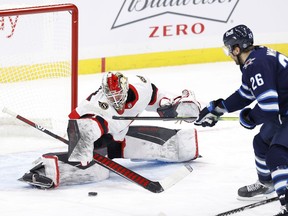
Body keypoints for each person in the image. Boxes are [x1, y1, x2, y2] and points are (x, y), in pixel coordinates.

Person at [19, 71, 201, 189]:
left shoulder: (141, 86)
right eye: (110, 96)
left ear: (125, 87)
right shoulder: (99, 105)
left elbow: (155, 96)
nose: (115, 100)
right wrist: (84, 142)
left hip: (117, 134)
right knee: (97, 172)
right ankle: (46, 168)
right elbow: (86, 126)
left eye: (118, 95)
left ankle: (182, 147)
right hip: (85, 131)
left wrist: (168, 103)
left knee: (174, 145)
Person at [194, 24, 288, 215]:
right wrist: (218, 108)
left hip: (282, 113)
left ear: (237, 48)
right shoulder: (256, 59)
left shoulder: (256, 64)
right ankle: (266, 183)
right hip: (284, 112)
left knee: (276, 155)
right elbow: (245, 94)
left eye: (228, 49)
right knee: (261, 143)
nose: (228, 54)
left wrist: (249, 118)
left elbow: (269, 108)